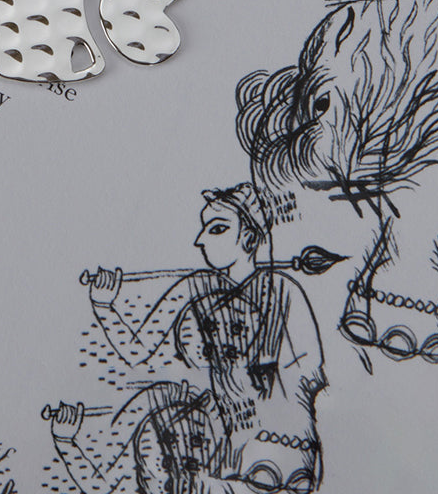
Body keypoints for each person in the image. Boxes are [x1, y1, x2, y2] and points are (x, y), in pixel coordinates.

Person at [78, 183, 326, 493]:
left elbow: (307, 374)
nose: (201, 240)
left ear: (249, 238)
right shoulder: (196, 286)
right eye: (205, 228)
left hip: (285, 449)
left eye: (217, 229)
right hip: (233, 453)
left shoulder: (283, 290)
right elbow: (136, 351)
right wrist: (104, 306)